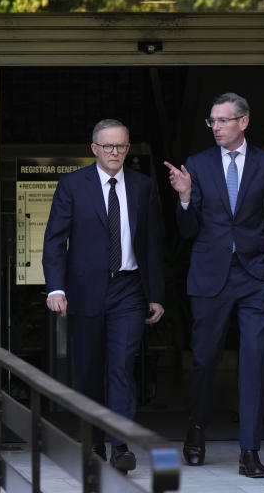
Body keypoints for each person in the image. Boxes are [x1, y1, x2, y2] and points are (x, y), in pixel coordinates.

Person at [164, 92, 264, 478]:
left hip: (256, 276)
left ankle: (249, 450)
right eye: (212, 121)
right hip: (210, 276)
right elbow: (187, 232)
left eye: (223, 121)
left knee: (253, 363)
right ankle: (197, 427)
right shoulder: (198, 165)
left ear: (243, 122)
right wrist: (185, 198)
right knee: (204, 360)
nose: (216, 127)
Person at [42, 119, 165, 474]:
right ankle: (93, 440)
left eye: (122, 146)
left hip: (129, 289)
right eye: (108, 146)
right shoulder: (73, 185)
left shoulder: (143, 187)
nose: (115, 152)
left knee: (122, 366)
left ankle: (121, 444)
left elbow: (152, 244)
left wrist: (155, 294)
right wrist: (56, 287)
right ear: (94, 148)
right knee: (89, 369)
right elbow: (54, 240)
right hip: (85, 290)